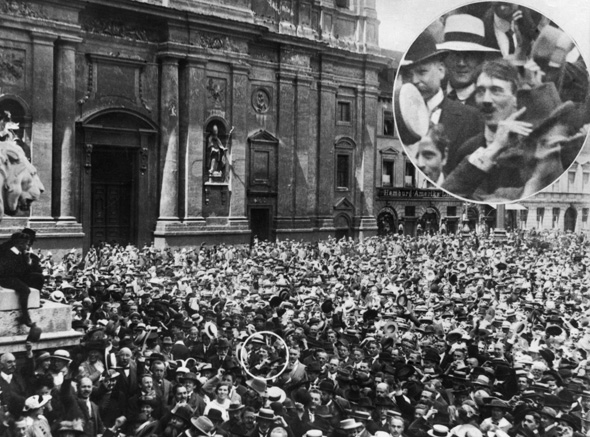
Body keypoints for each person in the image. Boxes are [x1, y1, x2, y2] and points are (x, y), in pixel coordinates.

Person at [400, 29, 483, 176]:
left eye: (422, 72)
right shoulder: (399, 114)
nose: (414, 81)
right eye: (407, 75)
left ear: (441, 71)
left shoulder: (471, 118)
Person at [438, 14, 501, 108]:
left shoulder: (489, 102)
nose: (461, 63)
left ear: (481, 59)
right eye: (455, 54)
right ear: (444, 58)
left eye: (470, 55)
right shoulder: (434, 95)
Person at [0, 231, 43, 327]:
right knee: (25, 290)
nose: (28, 246)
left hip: (16, 276)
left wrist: (28, 262)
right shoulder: (8, 253)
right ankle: (25, 316)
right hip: (6, 278)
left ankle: (37, 299)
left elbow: (25, 269)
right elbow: (10, 271)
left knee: (38, 277)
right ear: (20, 244)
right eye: (27, 244)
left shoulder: (20, 253)